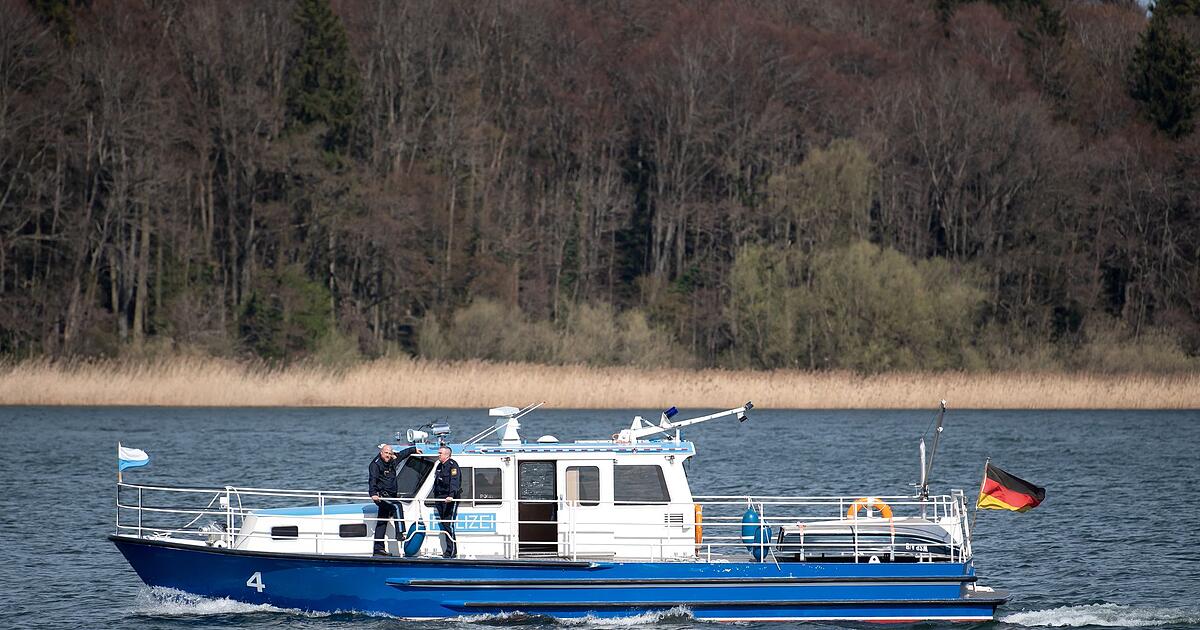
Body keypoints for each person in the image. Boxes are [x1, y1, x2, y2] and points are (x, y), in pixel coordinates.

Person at [368, 443, 416, 556]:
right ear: (381, 453)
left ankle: (378, 549)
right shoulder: (375, 465)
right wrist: (373, 493)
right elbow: (372, 480)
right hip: (381, 495)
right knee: (397, 506)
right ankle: (400, 533)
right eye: (386, 453)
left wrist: (413, 449)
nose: (388, 455)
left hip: (391, 494)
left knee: (382, 522)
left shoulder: (392, 460)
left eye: (390, 453)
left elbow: (403, 454)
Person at [431, 445, 461, 558]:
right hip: (440, 498)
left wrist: (451, 496)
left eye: (440, 453)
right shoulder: (439, 466)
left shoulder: (453, 466)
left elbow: (454, 481)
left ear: (447, 455)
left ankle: (452, 550)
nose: (438, 455)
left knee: (449, 524)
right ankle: (448, 550)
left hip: (449, 500)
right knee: (444, 524)